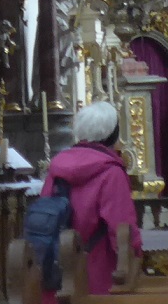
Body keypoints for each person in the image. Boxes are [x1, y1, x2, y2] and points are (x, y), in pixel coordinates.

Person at [39, 101, 140, 301]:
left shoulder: (57, 169)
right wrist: (135, 258)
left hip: (58, 270)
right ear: (113, 133)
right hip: (97, 271)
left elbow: (44, 214)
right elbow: (121, 227)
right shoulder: (111, 172)